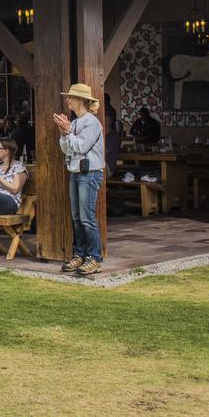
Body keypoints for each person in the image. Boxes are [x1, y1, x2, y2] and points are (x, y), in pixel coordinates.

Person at [54, 83, 105, 276]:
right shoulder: (75, 123)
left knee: (87, 217)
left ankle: (94, 258)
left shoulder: (92, 122)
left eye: (71, 97)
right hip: (75, 171)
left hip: (89, 172)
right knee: (76, 217)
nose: (67, 99)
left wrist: (67, 133)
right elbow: (66, 149)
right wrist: (64, 132)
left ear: (81, 100)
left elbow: (82, 146)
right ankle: (80, 253)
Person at [104, 93, 121, 175]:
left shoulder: (114, 136)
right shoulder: (100, 134)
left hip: (107, 167)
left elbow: (103, 153)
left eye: (105, 116)